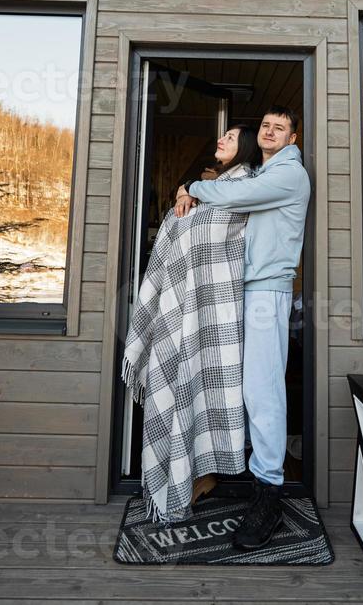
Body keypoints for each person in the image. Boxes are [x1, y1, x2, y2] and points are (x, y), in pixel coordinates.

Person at [176, 105, 310, 550]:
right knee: (235, 384)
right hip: (242, 290)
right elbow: (229, 191)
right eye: (266, 126)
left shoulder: (289, 175)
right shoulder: (258, 174)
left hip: (266, 294)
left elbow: (231, 198)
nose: (270, 132)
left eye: (280, 128)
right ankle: (221, 471)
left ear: (292, 139)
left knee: (262, 391)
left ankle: (269, 495)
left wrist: (196, 185)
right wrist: (188, 187)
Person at [119, 123, 262, 524]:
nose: (221, 139)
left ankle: (202, 472)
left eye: (231, 137)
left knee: (204, 386)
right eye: (222, 135)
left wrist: (191, 195)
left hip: (215, 308)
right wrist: (186, 190)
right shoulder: (207, 183)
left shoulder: (246, 186)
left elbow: (216, 236)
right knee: (184, 383)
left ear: (245, 149)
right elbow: (184, 227)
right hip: (181, 306)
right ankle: (190, 473)